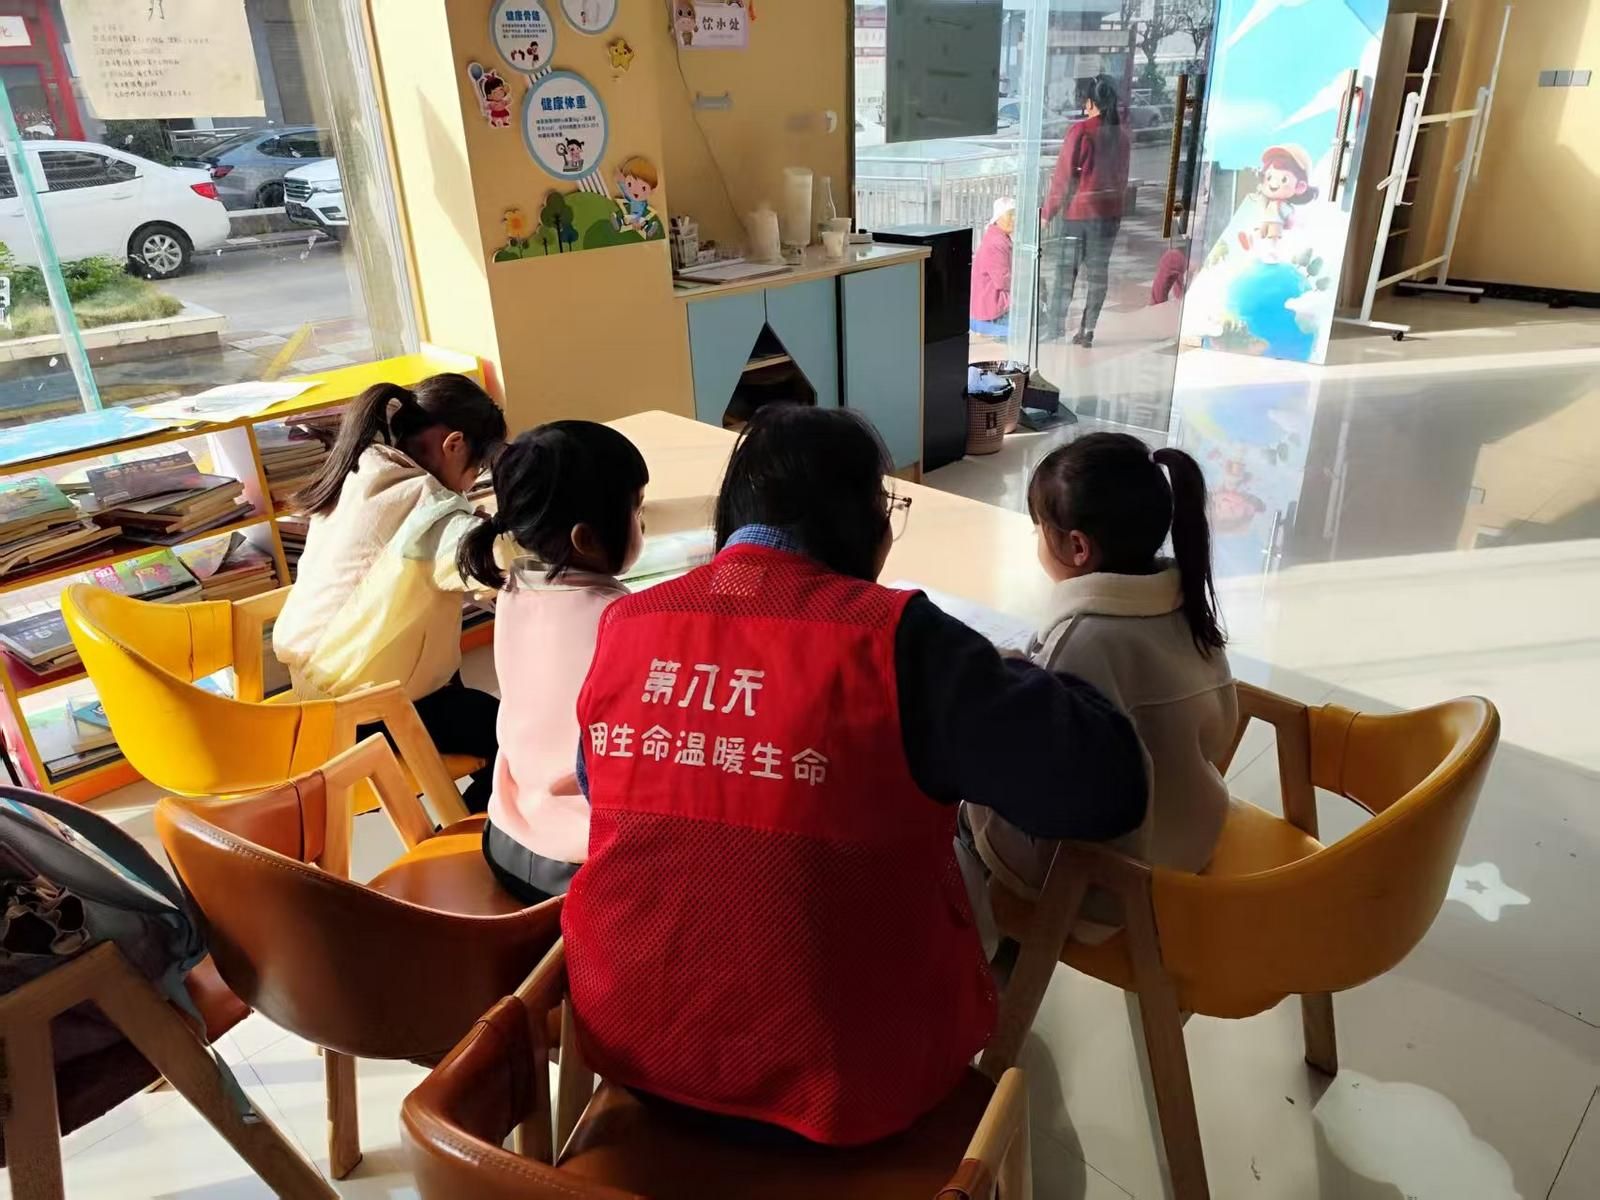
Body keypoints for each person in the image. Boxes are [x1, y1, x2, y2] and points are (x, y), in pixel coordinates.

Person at [562, 404, 1147, 1147]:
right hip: (847, 1087)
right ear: (863, 518)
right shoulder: (907, 646)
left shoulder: (629, 623)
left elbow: (598, 783)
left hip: (636, 1054)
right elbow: (1108, 786)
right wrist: (1013, 673)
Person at [968, 433, 1237, 919]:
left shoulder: (1080, 641)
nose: (1037, 540)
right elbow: (1220, 733)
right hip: (1192, 841)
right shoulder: (1189, 610)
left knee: (958, 793)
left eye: (1039, 529)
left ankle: (995, 939)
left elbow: (1040, 780)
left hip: (1106, 882)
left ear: (1077, 547)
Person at [273, 374, 507, 811]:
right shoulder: (431, 512)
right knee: (512, 739)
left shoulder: (360, 472)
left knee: (471, 707)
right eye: (476, 471)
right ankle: (472, 832)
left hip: (313, 697)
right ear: (454, 444)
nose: (470, 484)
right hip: (369, 715)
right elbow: (495, 566)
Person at [458, 422, 649, 905]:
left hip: (504, 837)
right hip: (580, 867)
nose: (642, 524)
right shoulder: (621, 620)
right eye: (637, 511)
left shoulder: (515, 589)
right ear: (586, 539)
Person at [1043, 77, 1131, 348]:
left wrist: (1047, 213)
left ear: (1091, 102)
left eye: (1085, 101)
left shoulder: (1080, 132)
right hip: (1109, 217)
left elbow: (1064, 177)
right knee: (1097, 275)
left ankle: (1055, 329)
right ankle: (1086, 331)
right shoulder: (1121, 135)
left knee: (1065, 275)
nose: (1083, 106)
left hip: (1079, 216)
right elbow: (1122, 178)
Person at [970, 196, 1016, 335]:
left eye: (1015, 215)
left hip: (990, 308)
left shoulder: (998, 237)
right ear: (998, 218)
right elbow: (1003, 280)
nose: (1014, 219)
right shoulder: (996, 243)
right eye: (1010, 215)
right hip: (991, 314)